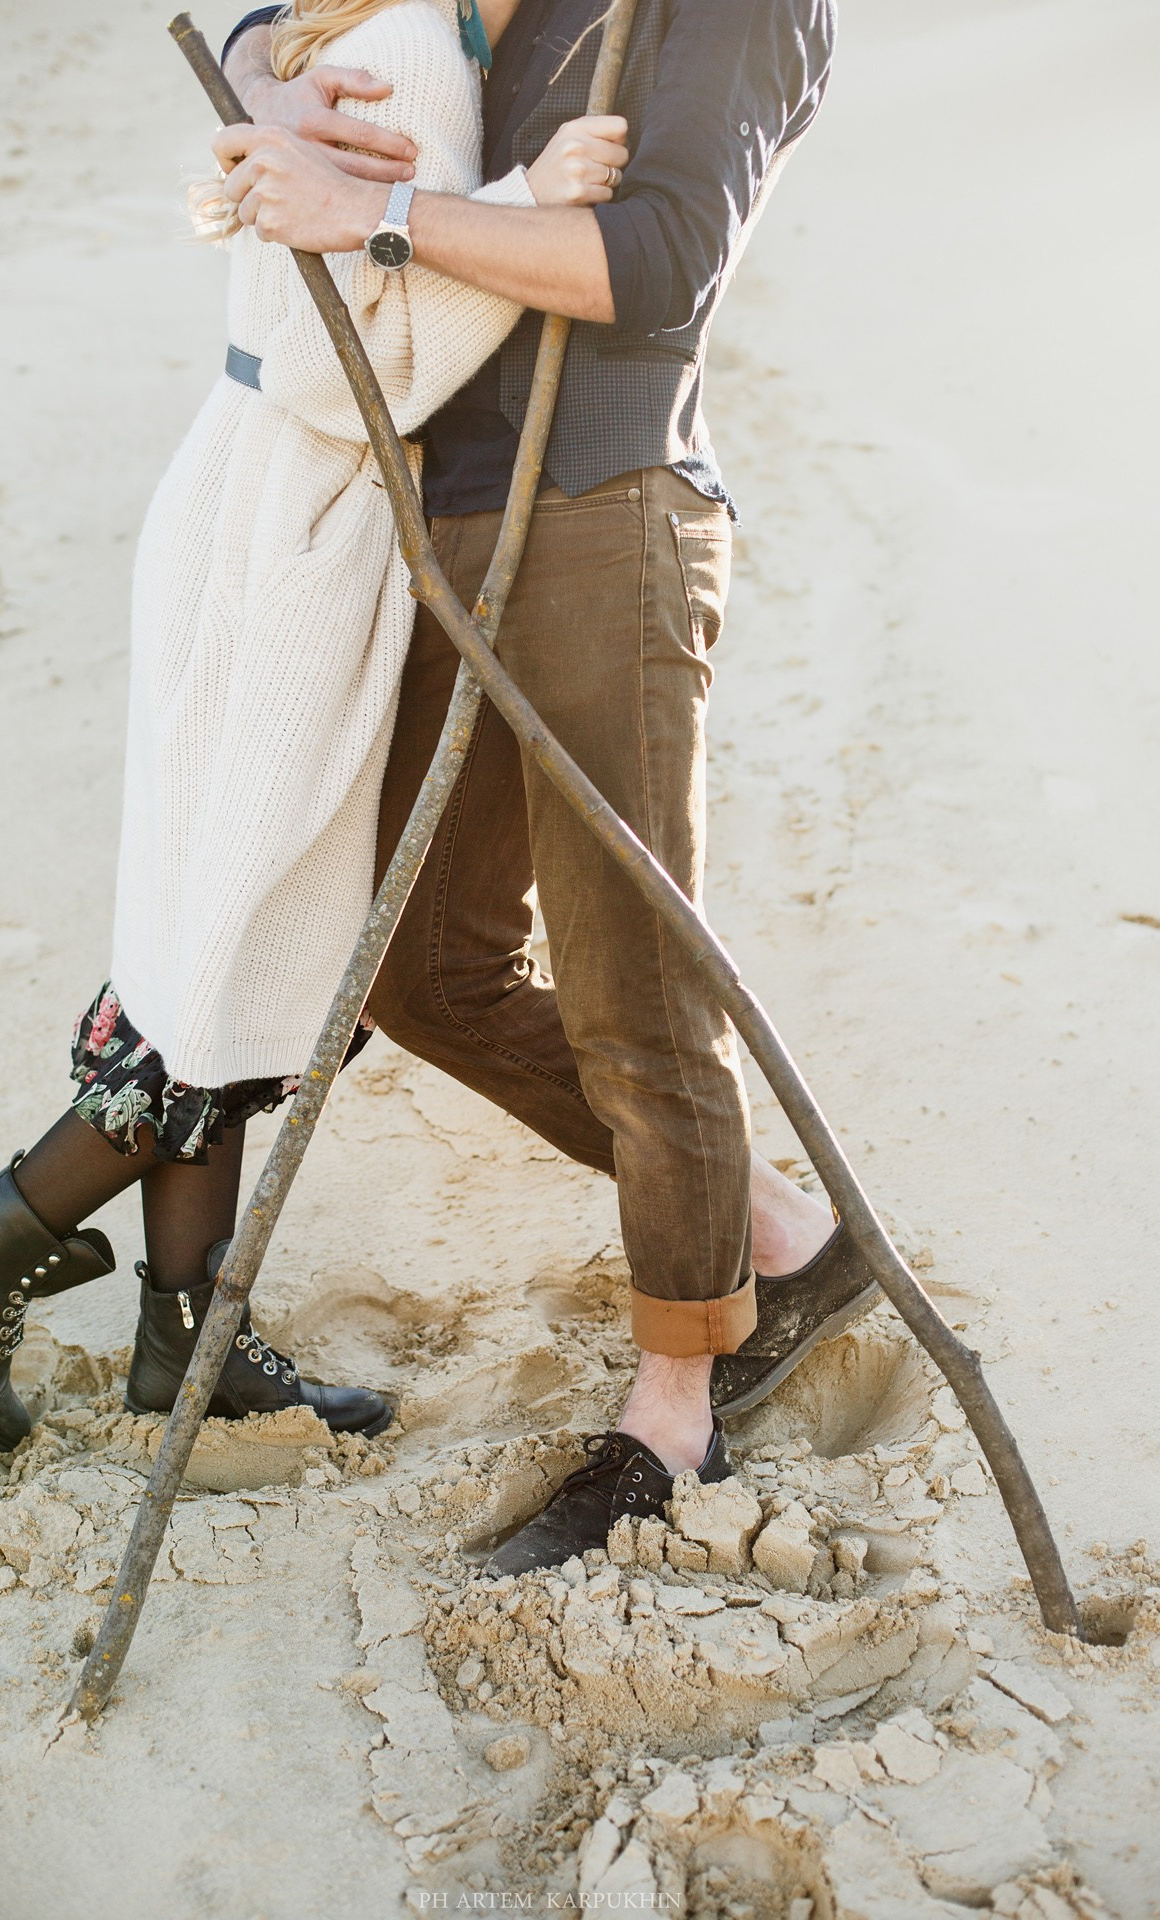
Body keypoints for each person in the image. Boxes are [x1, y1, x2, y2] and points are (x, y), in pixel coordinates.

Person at [0, 0, 636, 1459]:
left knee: (230, 938)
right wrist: (519, 209)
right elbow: (345, 363)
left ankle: (188, 1333)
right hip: (294, 530)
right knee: (255, 952)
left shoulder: (356, 28)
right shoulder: (413, 53)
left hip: (267, 512)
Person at [214, 0, 879, 1577]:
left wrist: (376, 212)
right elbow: (283, 23)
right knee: (418, 968)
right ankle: (776, 1236)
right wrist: (270, 94)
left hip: (607, 515)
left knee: (637, 989)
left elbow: (658, 263)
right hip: (443, 526)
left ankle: (676, 1411)